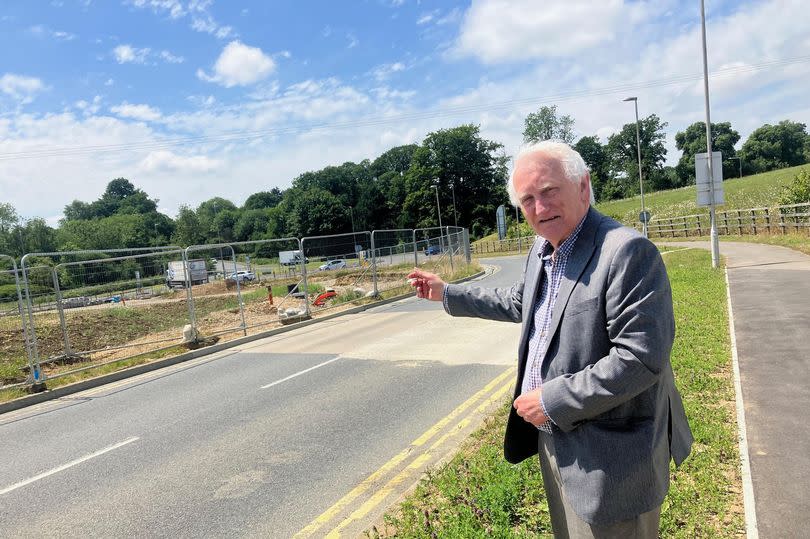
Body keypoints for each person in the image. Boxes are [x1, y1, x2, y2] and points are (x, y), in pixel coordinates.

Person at [408, 141, 692, 538]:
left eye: (549, 192)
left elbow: (640, 358)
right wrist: (447, 293)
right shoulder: (543, 249)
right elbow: (521, 302)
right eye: (528, 199)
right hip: (557, 441)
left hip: (612, 457)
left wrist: (550, 400)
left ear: (583, 185)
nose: (540, 209)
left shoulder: (626, 252)